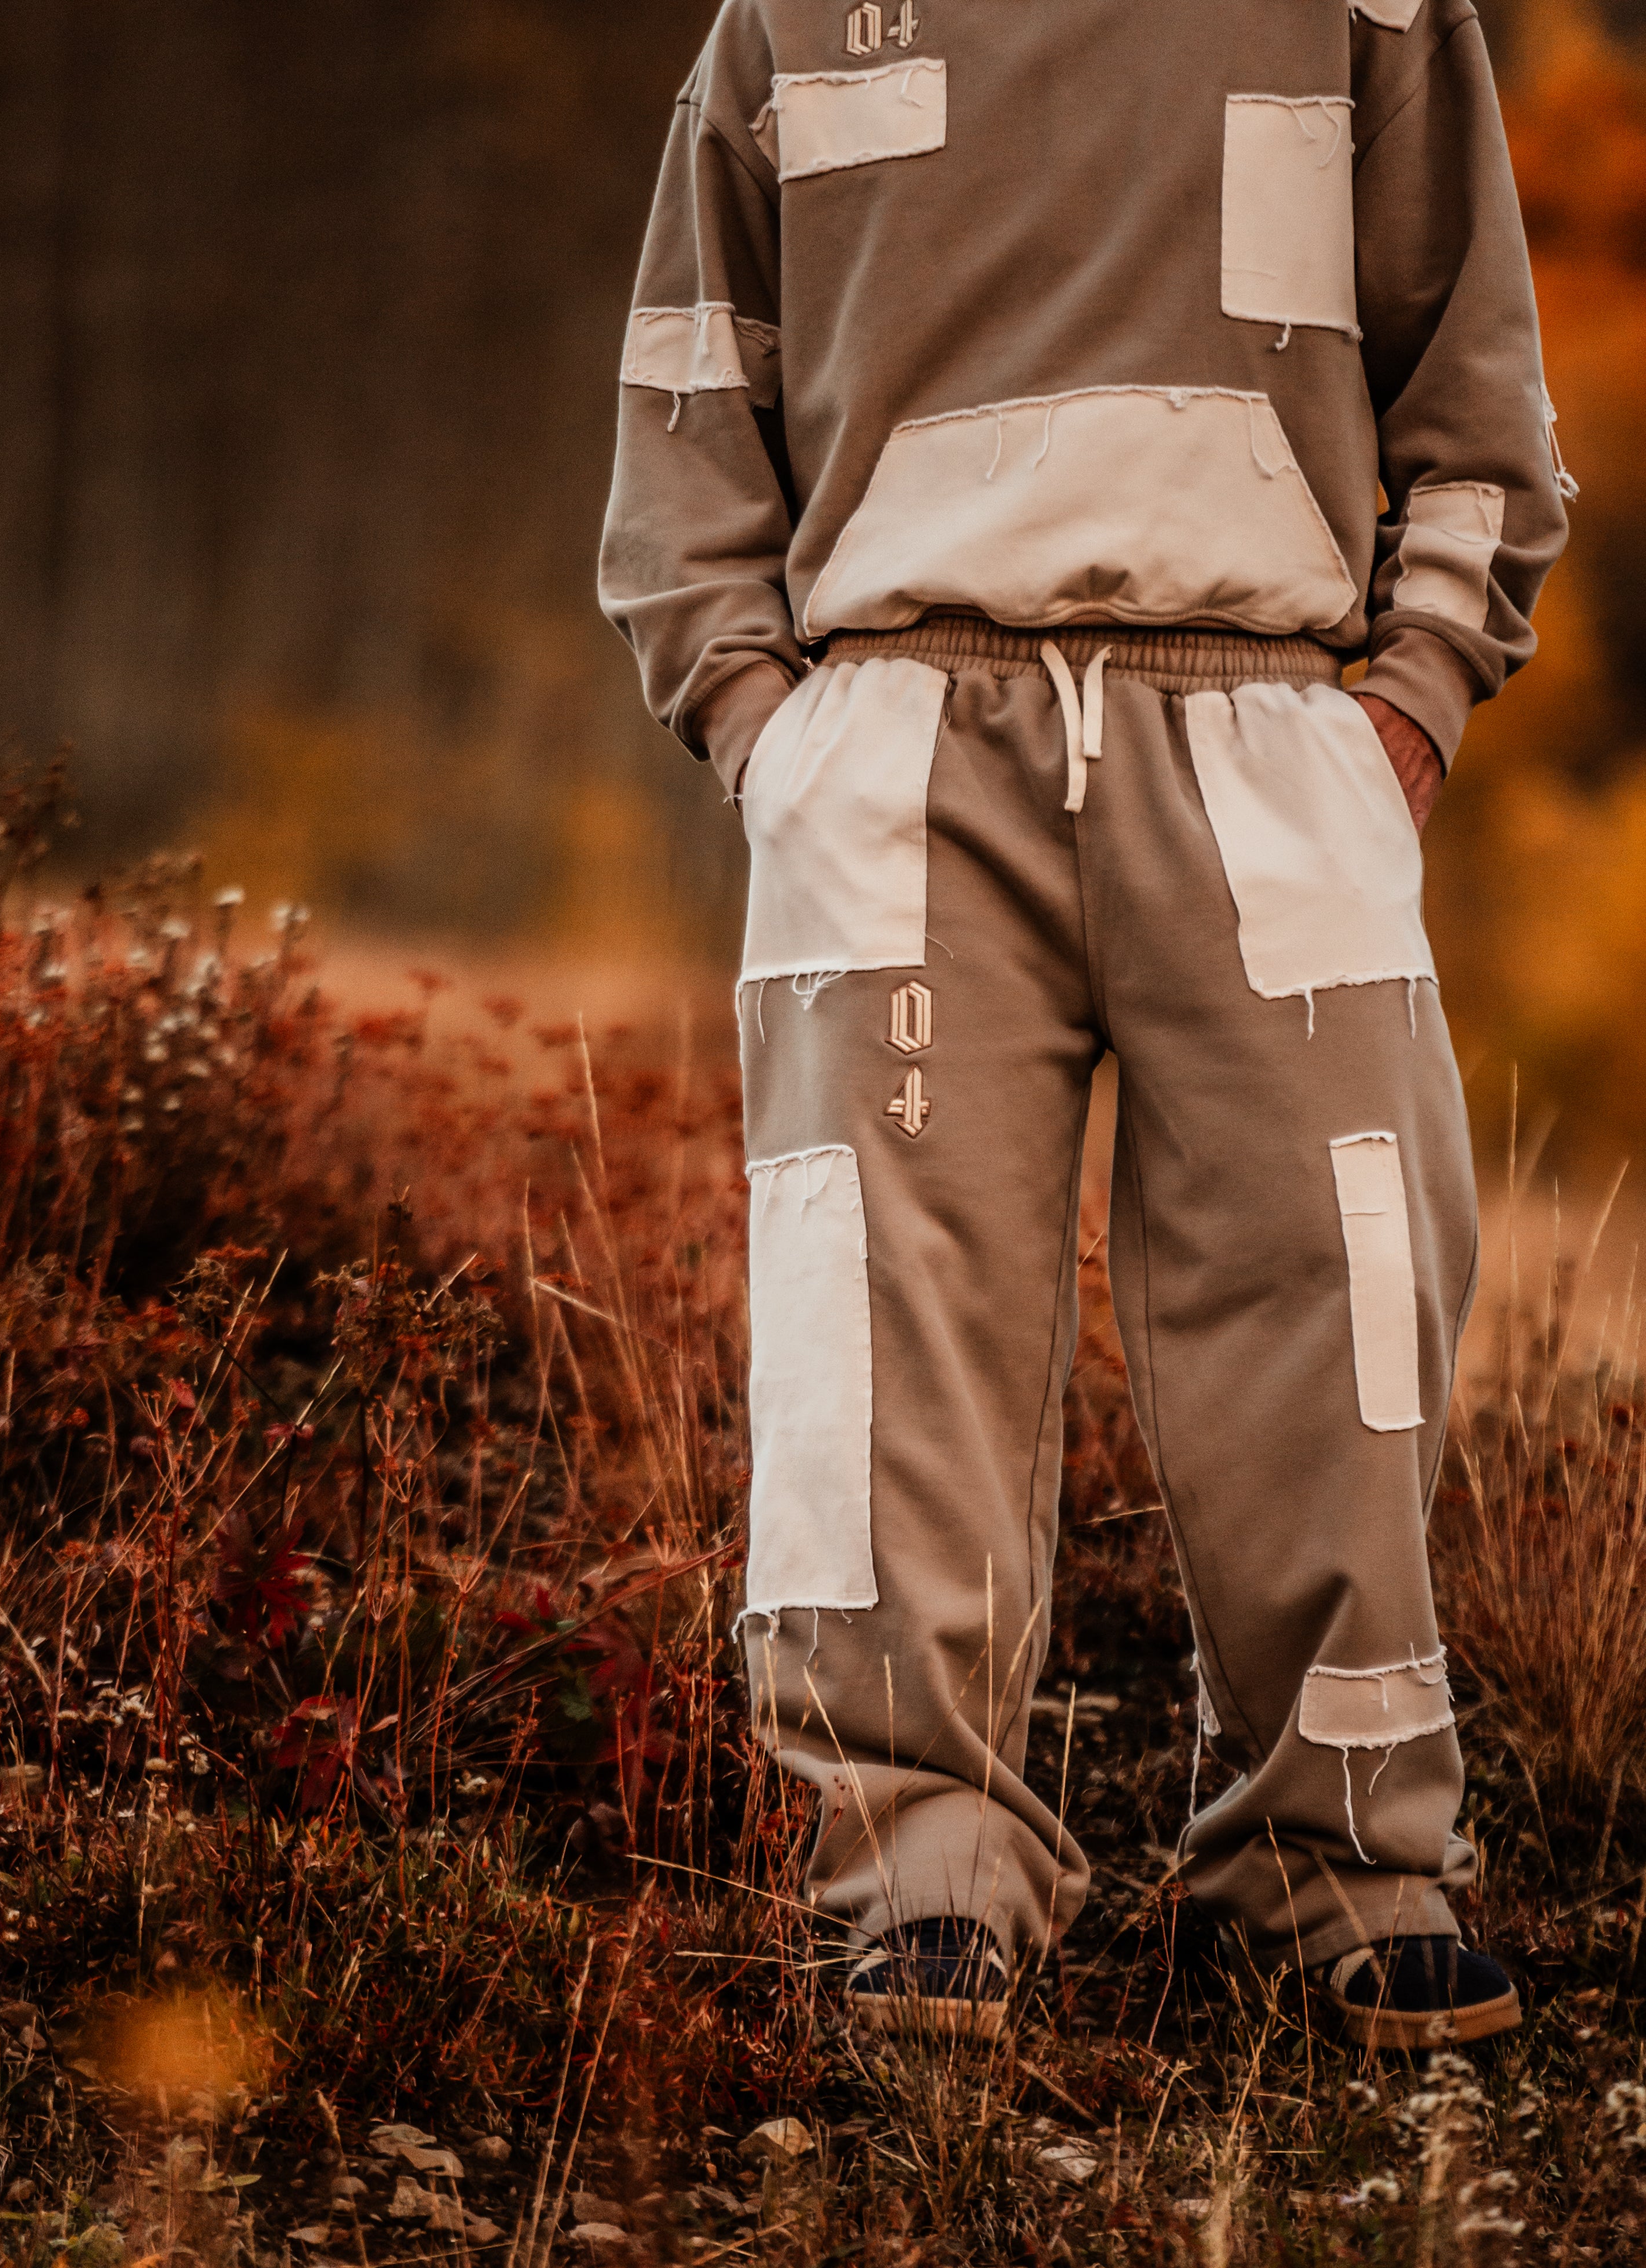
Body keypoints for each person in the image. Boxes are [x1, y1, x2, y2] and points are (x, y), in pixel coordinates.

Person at [600, 0, 1569, 2052]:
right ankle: (919, 1867)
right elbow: (693, 388)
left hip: (1267, 718)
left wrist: (1411, 701)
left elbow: (1477, 371)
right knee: (878, 1311)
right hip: (894, 738)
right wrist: (763, 730)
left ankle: (1343, 1862)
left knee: (1344, 1290)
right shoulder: (785, 10)